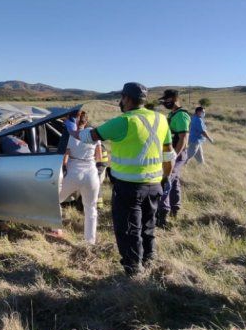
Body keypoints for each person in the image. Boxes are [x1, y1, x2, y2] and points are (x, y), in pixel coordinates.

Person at [70, 82, 174, 275]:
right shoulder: (161, 119)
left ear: (126, 98)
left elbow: (89, 136)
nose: (120, 101)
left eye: (122, 97)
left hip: (128, 188)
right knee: (148, 227)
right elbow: (169, 154)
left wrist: (71, 129)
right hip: (154, 185)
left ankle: (133, 271)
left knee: (128, 230)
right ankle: (150, 263)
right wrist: (165, 177)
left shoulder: (124, 121)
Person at [55, 111, 102, 244]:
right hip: (91, 174)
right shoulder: (93, 134)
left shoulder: (71, 135)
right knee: (91, 208)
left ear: (75, 121)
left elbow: (65, 159)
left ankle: (56, 229)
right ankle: (90, 241)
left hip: (73, 173)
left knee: (55, 200)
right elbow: (99, 157)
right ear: (86, 121)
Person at [156, 89, 191, 227]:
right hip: (171, 152)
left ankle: (162, 214)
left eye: (168, 100)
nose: (165, 102)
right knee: (174, 180)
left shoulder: (181, 115)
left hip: (177, 153)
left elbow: (183, 138)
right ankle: (175, 208)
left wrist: (174, 156)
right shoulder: (172, 114)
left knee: (166, 179)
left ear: (175, 99)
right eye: (164, 100)